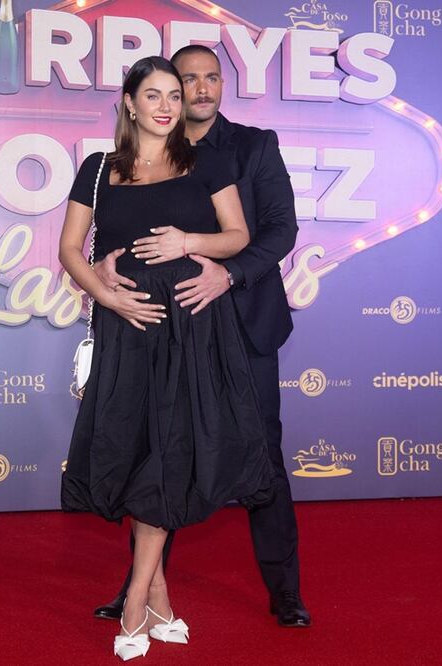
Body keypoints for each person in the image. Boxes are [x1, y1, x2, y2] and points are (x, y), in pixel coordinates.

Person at [59, 55, 275, 660]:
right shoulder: (99, 170)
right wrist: (105, 295)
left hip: (190, 327)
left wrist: (188, 242)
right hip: (127, 326)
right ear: (130, 103)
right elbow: (70, 248)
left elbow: (238, 236)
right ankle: (160, 598)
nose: (166, 106)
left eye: (174, 96)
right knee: (132, 449)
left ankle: (135, 600)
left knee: (170, 452)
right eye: (153, 95)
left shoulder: (207, 161)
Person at [91, 45, 311, 628]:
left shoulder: (252, 145)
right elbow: (113, 232)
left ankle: (284, 590)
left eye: (212, 77)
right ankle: (143, 585)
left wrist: (229, 273)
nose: (202, 88)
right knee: (158, 448)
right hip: (170, 328)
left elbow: (280, 228)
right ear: (160, 92)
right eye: (188, 79)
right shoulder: (136, 156)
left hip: (244, 321)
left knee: (260, 456)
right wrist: (105, 267)